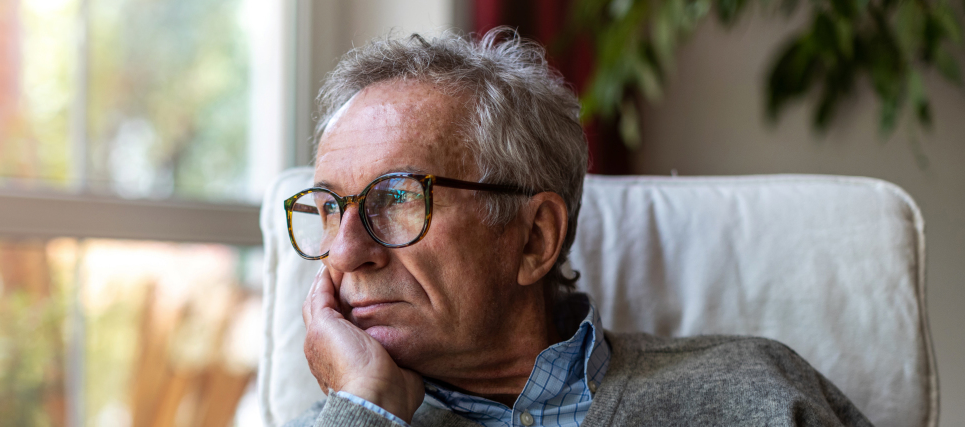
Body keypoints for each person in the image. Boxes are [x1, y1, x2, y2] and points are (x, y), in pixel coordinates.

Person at [281, 28, 871, 427]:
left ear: (535, 237)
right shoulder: (345, 417)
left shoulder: (758, 393)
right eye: (331, 209)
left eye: (399, 197)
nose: (346, 251)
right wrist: (365, 408)